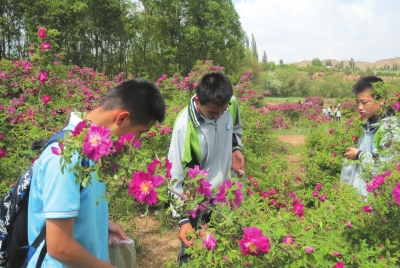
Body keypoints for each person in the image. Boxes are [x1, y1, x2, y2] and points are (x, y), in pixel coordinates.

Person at [27, 79, 166, 267]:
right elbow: (59, 246)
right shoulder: (66, 156)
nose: (136, 141)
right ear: (122, 118)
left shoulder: (90, 150)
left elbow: (75, 206)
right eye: (140, 132)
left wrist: (101, 224)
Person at [167, 72, 244, 264]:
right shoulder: (184, 127)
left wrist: (235, 148)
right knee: (192, 255)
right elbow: (174, 175)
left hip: (225, 195)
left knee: (224, 250)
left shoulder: (231, 104)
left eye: (222, 111)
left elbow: (235, 127)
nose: (219, 116)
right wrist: (183, 220)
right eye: (213, 113)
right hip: (195, 201)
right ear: (198, 100)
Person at [341, 76, 399, 197]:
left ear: (381, 100)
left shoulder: (389, 130)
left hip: (377, 201)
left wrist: (359, 155)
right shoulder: (369, 125)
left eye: (364, 102)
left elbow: (386, 170)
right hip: (363, 195)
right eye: (357, 102)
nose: (360, 107)